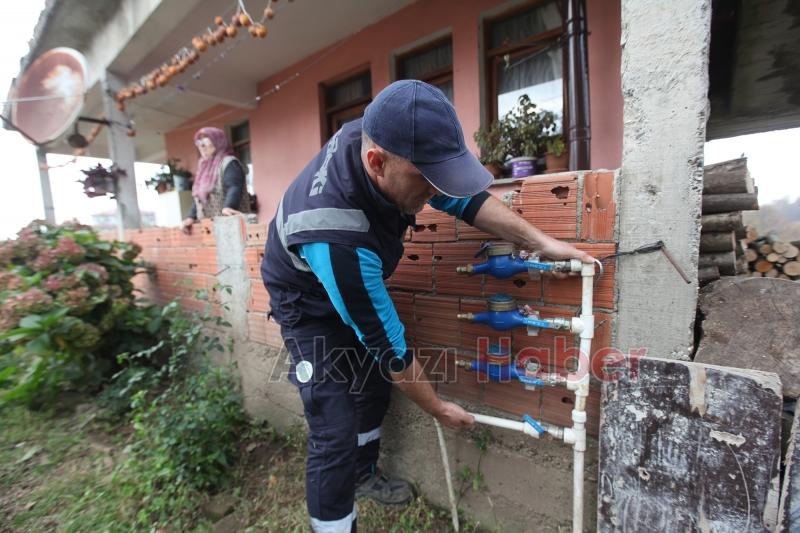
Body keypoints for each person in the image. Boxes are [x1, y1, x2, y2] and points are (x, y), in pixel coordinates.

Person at [260, 80, 593, 532]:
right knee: (332, 426)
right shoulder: (338, 235)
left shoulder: (388, 135)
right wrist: (436, 406)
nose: (434, 192)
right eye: (425, 181)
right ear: (377, 163)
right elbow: (392, 350)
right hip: (305, 303)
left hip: (345, 273)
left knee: (372, 383)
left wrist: (542, 242)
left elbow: (459, 196)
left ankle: (362, 476)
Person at [181, 127, 250, 234]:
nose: (201, 147)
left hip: (232, 226)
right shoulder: (203, 167)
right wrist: (190, 216)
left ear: (218, 142)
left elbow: (234, 186)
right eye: (199, 143)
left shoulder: (229, 162)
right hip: (212, 228)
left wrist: (229, 206)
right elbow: (199, 197)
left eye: (205, 143)